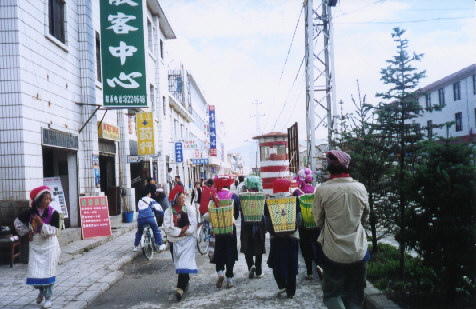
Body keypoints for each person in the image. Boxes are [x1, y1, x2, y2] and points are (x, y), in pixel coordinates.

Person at [311, 150, 370, 309]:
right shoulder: (360, 188)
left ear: (329, 169)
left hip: (333, 253)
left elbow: (318, 219)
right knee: (355, 296)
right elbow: (365, 217)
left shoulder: (323, 190)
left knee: (332, 296)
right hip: (358, 251)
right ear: (347, 167)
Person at [14, 186, 61, 309]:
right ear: (38, 200)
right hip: (35, 244)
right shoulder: (30, 212)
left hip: (49, 244)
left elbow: (55, 230)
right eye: (45, 199)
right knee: (35, 272)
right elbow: (17, 222)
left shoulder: (53, 213)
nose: (48, 201)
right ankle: (41, 291)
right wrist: (28, 230)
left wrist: (42, 224)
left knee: (48, 271)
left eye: (49, 199)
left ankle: (48, 298)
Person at [264, 179, 302, 299]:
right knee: (291, 263)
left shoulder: (269, 202)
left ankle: (282, 284)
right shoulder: (294, 201)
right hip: (291, 237)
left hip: (276, 238)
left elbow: (266, 221)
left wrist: (272, 231)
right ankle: (291, 292)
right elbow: (299, 219)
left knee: (276, 262)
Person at [163, 191, 198, 301]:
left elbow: (193, 224)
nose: (182, 200)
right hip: (175, 240)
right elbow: (167, 228)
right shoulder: (169, 211)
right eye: (180, 198)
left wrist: (185, 233)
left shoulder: (189, 209)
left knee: (184, 262)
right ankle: (186, 280)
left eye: (183, 198)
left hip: (187, 240)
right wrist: (181, 230)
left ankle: (180, 288)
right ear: (175, 199)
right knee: (178, 262)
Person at [293, 168, 323, 281]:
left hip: (304, 226)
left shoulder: (297, 192)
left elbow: (296, 211)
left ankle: (309, 272)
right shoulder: (317, 190)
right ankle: (319, 265)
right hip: (316, 223)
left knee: (305, 248)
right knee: (317, 245)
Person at [211, 175, 240, 289]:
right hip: (229, 229)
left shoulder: (213, 196)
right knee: (230, 252)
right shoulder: (234, 196)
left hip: (217, 229)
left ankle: (220, 273)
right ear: (229, 185)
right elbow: (236, 215)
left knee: (218, 251)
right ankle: (229, 279)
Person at [240, 176, 266, 279]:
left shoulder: (244, 196)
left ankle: (251, 265)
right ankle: (259, 272)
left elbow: (240, 209)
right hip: (259, 225)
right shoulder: (261, 195)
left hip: (246, 225)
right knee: (259, 247)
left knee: (247, 246)